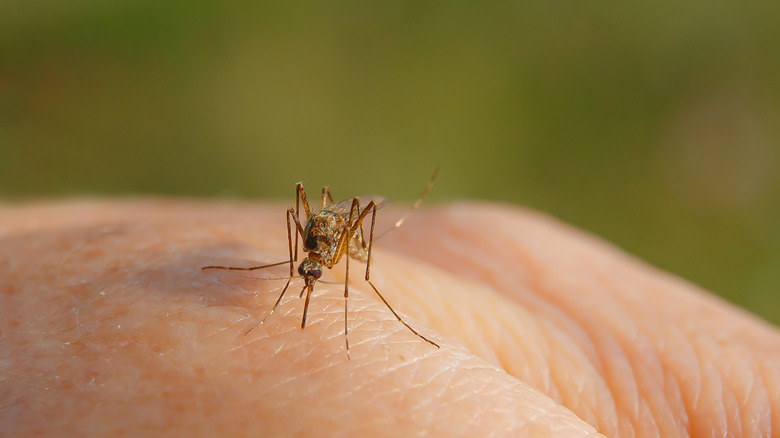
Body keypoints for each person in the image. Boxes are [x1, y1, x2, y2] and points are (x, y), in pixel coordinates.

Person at [1, 200, 778, 436]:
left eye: (307, 272)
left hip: (350, 235)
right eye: (307, 271)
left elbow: (334, 236)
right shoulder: (303, 249)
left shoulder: (335, 244)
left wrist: (354, 277)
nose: (307, 281)